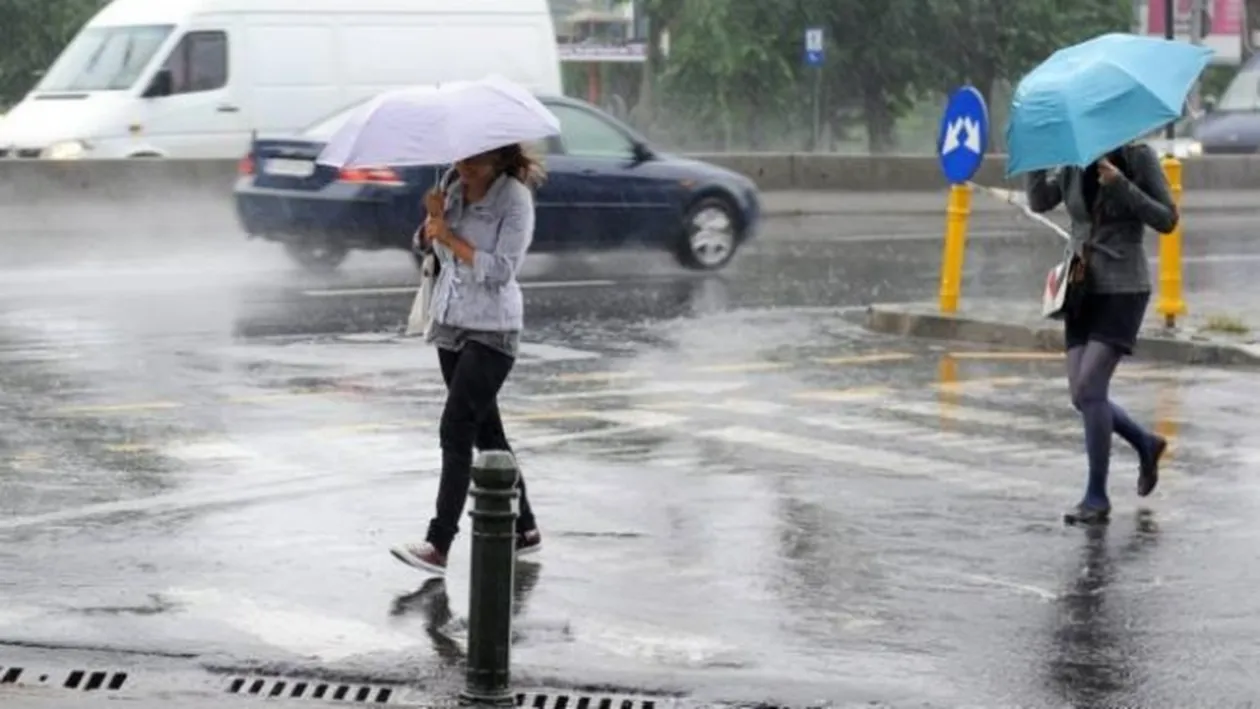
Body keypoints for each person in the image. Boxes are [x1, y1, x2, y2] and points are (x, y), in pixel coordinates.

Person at [390, 143, 545, 574]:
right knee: (486, 433)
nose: (465, 167)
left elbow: (501, 270)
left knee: (456, 427)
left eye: (475, 161)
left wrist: (449, 237)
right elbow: (427, 247)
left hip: (493, 328)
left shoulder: (514, 199)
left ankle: (438, 544)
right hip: (449, 323)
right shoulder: (452, 186)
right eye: (461, 158)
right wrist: (430, 226)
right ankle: (526, 528)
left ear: (499, 159)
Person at [1027, 143, 1176, 525]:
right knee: (1082, 395)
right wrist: (1034, 160)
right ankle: (1145, 443)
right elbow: (1040, 202)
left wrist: (1121, 184)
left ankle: (1097, 497)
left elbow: (1167, 218)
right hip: (1080, 287)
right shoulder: (1072, 157)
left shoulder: (1137, 156)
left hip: (1124, 287)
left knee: (1091, 389)